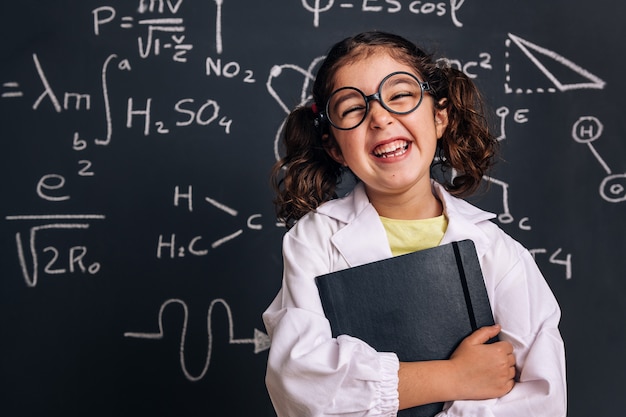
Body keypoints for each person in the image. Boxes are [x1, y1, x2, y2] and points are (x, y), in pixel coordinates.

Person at [262, 31, 566, 417]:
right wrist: (453, 376)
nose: (381, 118)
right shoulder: (314, 240)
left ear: (440, 116)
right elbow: (300, 383)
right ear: (335, 146)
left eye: (401, 95)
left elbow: (540, 399)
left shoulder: (499, 255)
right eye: (353, 108)